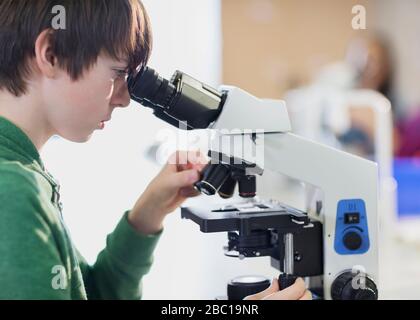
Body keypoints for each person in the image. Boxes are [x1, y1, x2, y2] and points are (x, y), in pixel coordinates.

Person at [0, 0, 310, 300]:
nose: (123, 99)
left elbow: (93, 293)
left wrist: (146, 215)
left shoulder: (22, 172)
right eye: (119, 73)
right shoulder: (12, 191)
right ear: (51, 54)